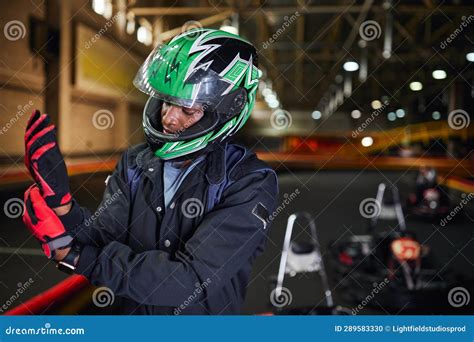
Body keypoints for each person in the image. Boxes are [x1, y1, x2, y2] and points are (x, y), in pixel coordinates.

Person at [22, 29, 279, 315]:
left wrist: (77, 258)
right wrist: (63, 208)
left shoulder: (249, 181)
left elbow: (189, 279)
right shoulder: (135, 162)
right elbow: (106, 237)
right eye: (167, 102)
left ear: (227, 111)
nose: (168, 118)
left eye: (187, 110)